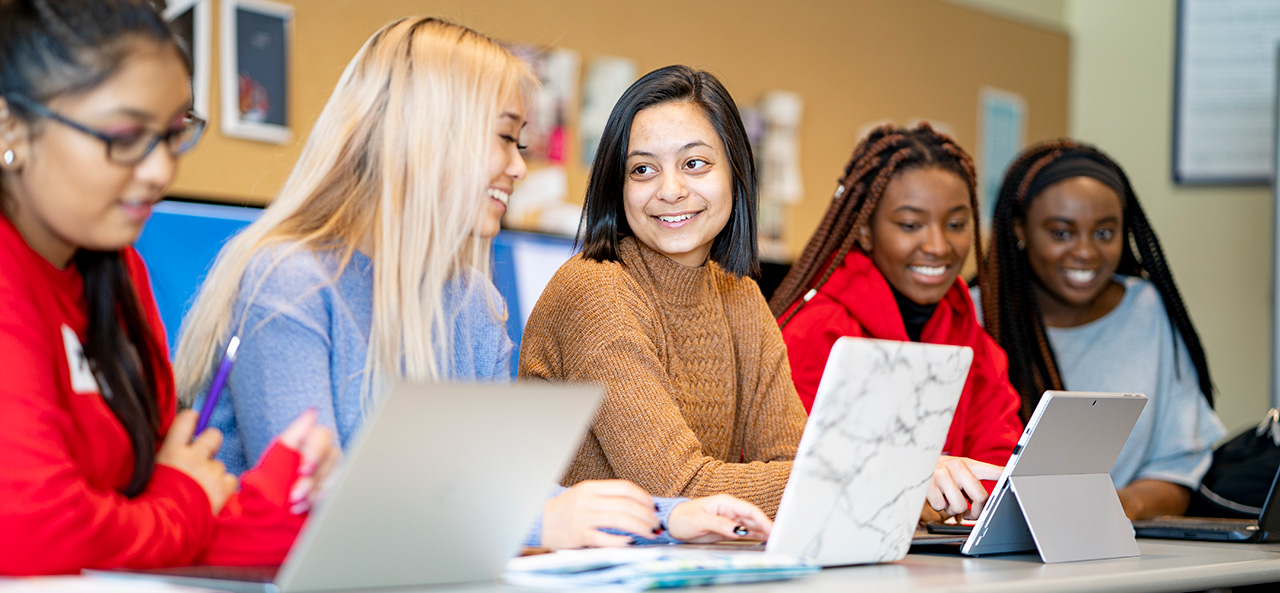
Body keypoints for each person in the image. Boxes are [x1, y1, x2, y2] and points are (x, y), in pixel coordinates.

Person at [173, 20, 769, 548]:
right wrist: (542, 525)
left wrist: (671, 516)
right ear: (427, 135)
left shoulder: (474, 303)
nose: (518, 166)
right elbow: (311, 503)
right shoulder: (291, 282)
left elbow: (502, 488)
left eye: (523, 143)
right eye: (505, 138)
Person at [0, 0, 337, 575]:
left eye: (172, 133)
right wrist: (184, 497)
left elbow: (161, 529)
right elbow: (35, 530)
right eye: (126, 135)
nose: (159, 170)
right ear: (11, 128)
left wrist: (285, 500)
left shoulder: (118, 270)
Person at [517, 65, 807, 518]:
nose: (670, 190)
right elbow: (677, 488)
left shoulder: (741, 297)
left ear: (736, 171)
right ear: (619, 184)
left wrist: (840, 478)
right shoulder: (595, 290)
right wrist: (859, 478)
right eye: (643, 169)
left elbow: (794, 463)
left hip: (691, 569)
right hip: (581, 574)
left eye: (694, 163)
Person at [768, 124, 1022, 521]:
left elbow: (1000, 470)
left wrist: (929, 501)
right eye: (910, 225)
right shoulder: (816, 331)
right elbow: (800, 480)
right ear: (865, 231)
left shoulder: (972, 337)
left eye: (955, 224)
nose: (938, 246)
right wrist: (926, 497)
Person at [976, 139, 1225, 520]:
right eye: (1062, 233)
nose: (1086, 252)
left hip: (1122, 547)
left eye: (1104, 233)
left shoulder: (1148, 310)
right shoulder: (974, 314)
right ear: (1019, 230)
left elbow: (1176, 472)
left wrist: (1104, 509)